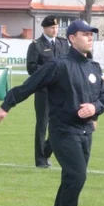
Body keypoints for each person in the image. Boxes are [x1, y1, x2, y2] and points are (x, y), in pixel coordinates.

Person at [0, 19, 104, 206]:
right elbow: (30, 85)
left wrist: (95, 108)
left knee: (72, 177)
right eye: (85, 35)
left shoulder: (93, 67)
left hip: (86, 132)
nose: (90, 38)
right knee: (77, 175)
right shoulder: (59, 65)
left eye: (91, 35)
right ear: (72, 38)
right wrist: (5, 106)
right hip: (63, 131)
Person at [26, 16, 70, 168]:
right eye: (52, 27)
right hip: (44, 91)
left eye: (57, 27)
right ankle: (40, 159)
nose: (55, 30)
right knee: (42, 124)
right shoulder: (36, 45)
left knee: (60, 123)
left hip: (61, 91)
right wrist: (49, 72)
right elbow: (31, 68)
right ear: (44, 28)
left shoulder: (63, 43)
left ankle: (46, 151)